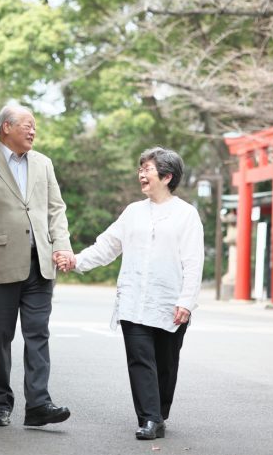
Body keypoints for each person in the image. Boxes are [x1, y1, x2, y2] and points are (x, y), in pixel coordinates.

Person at [58, 147, 203, 440]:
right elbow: (107, 245)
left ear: (167, 176)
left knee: (165, 363)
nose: (141, 174)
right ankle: (149, 418)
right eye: (141, 169)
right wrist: (77, 261)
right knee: (139, 359)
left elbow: (193, 260)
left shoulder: (186, 215)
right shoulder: (133, 212)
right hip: (134, 300)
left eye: (147, 169)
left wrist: (186, 301)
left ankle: (159, 413)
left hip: (169, 302)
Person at [0, 103, 75, 427]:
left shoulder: (44, 164)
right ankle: (0, 403)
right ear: (6, 127)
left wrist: (62, 246)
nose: (33, 130)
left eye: (34, 126)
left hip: (40, 265)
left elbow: (56, 210)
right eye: (27, 124)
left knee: (38, 335)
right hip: (0, 263)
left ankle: (38, 404)